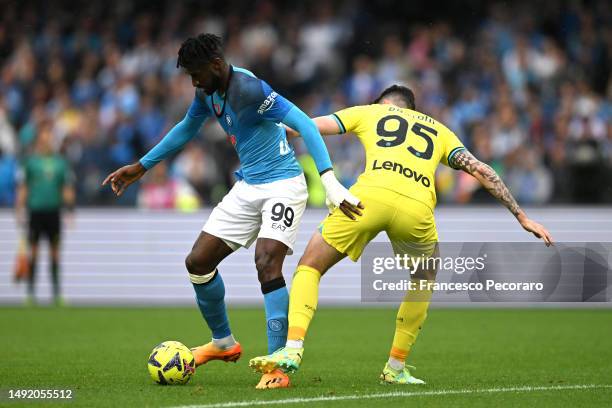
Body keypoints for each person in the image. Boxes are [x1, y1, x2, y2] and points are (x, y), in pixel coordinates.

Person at [102, 33, 362, 389]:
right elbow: (185, 129)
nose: (193, 82)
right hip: (249, 186)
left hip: (284, 184)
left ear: (216, 65)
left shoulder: (250, 89)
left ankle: (277, 366)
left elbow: (303, 123)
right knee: (198, 262)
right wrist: (142, 166)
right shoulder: (206, 92)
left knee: (267, 261)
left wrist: (329, 179)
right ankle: (223, 342)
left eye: (196, 73)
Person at [249, 85, 553, 384]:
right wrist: (521, 216)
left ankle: (292, 349)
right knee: (423, 280)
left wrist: (270, 128)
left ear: (385, 103)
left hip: (367, 200)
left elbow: (307, 125)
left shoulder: (371, 112)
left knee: (310, 266)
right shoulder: (440, 130)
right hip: (416, 208)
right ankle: (395, 367)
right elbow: (482, 171)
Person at [16, 123, 75, 306]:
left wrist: (70, 208)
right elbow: (24, 187)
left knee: (54, 253)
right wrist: (19, 207)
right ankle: (31, 293)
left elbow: (66, 188)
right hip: (35, 211)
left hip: (53, 212)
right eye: (44, 138)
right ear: (39, 141)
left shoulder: (61, 163)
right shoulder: (31, 162)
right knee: (33, 252)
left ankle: (56, 294)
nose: (47, 142)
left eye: (49, 138)